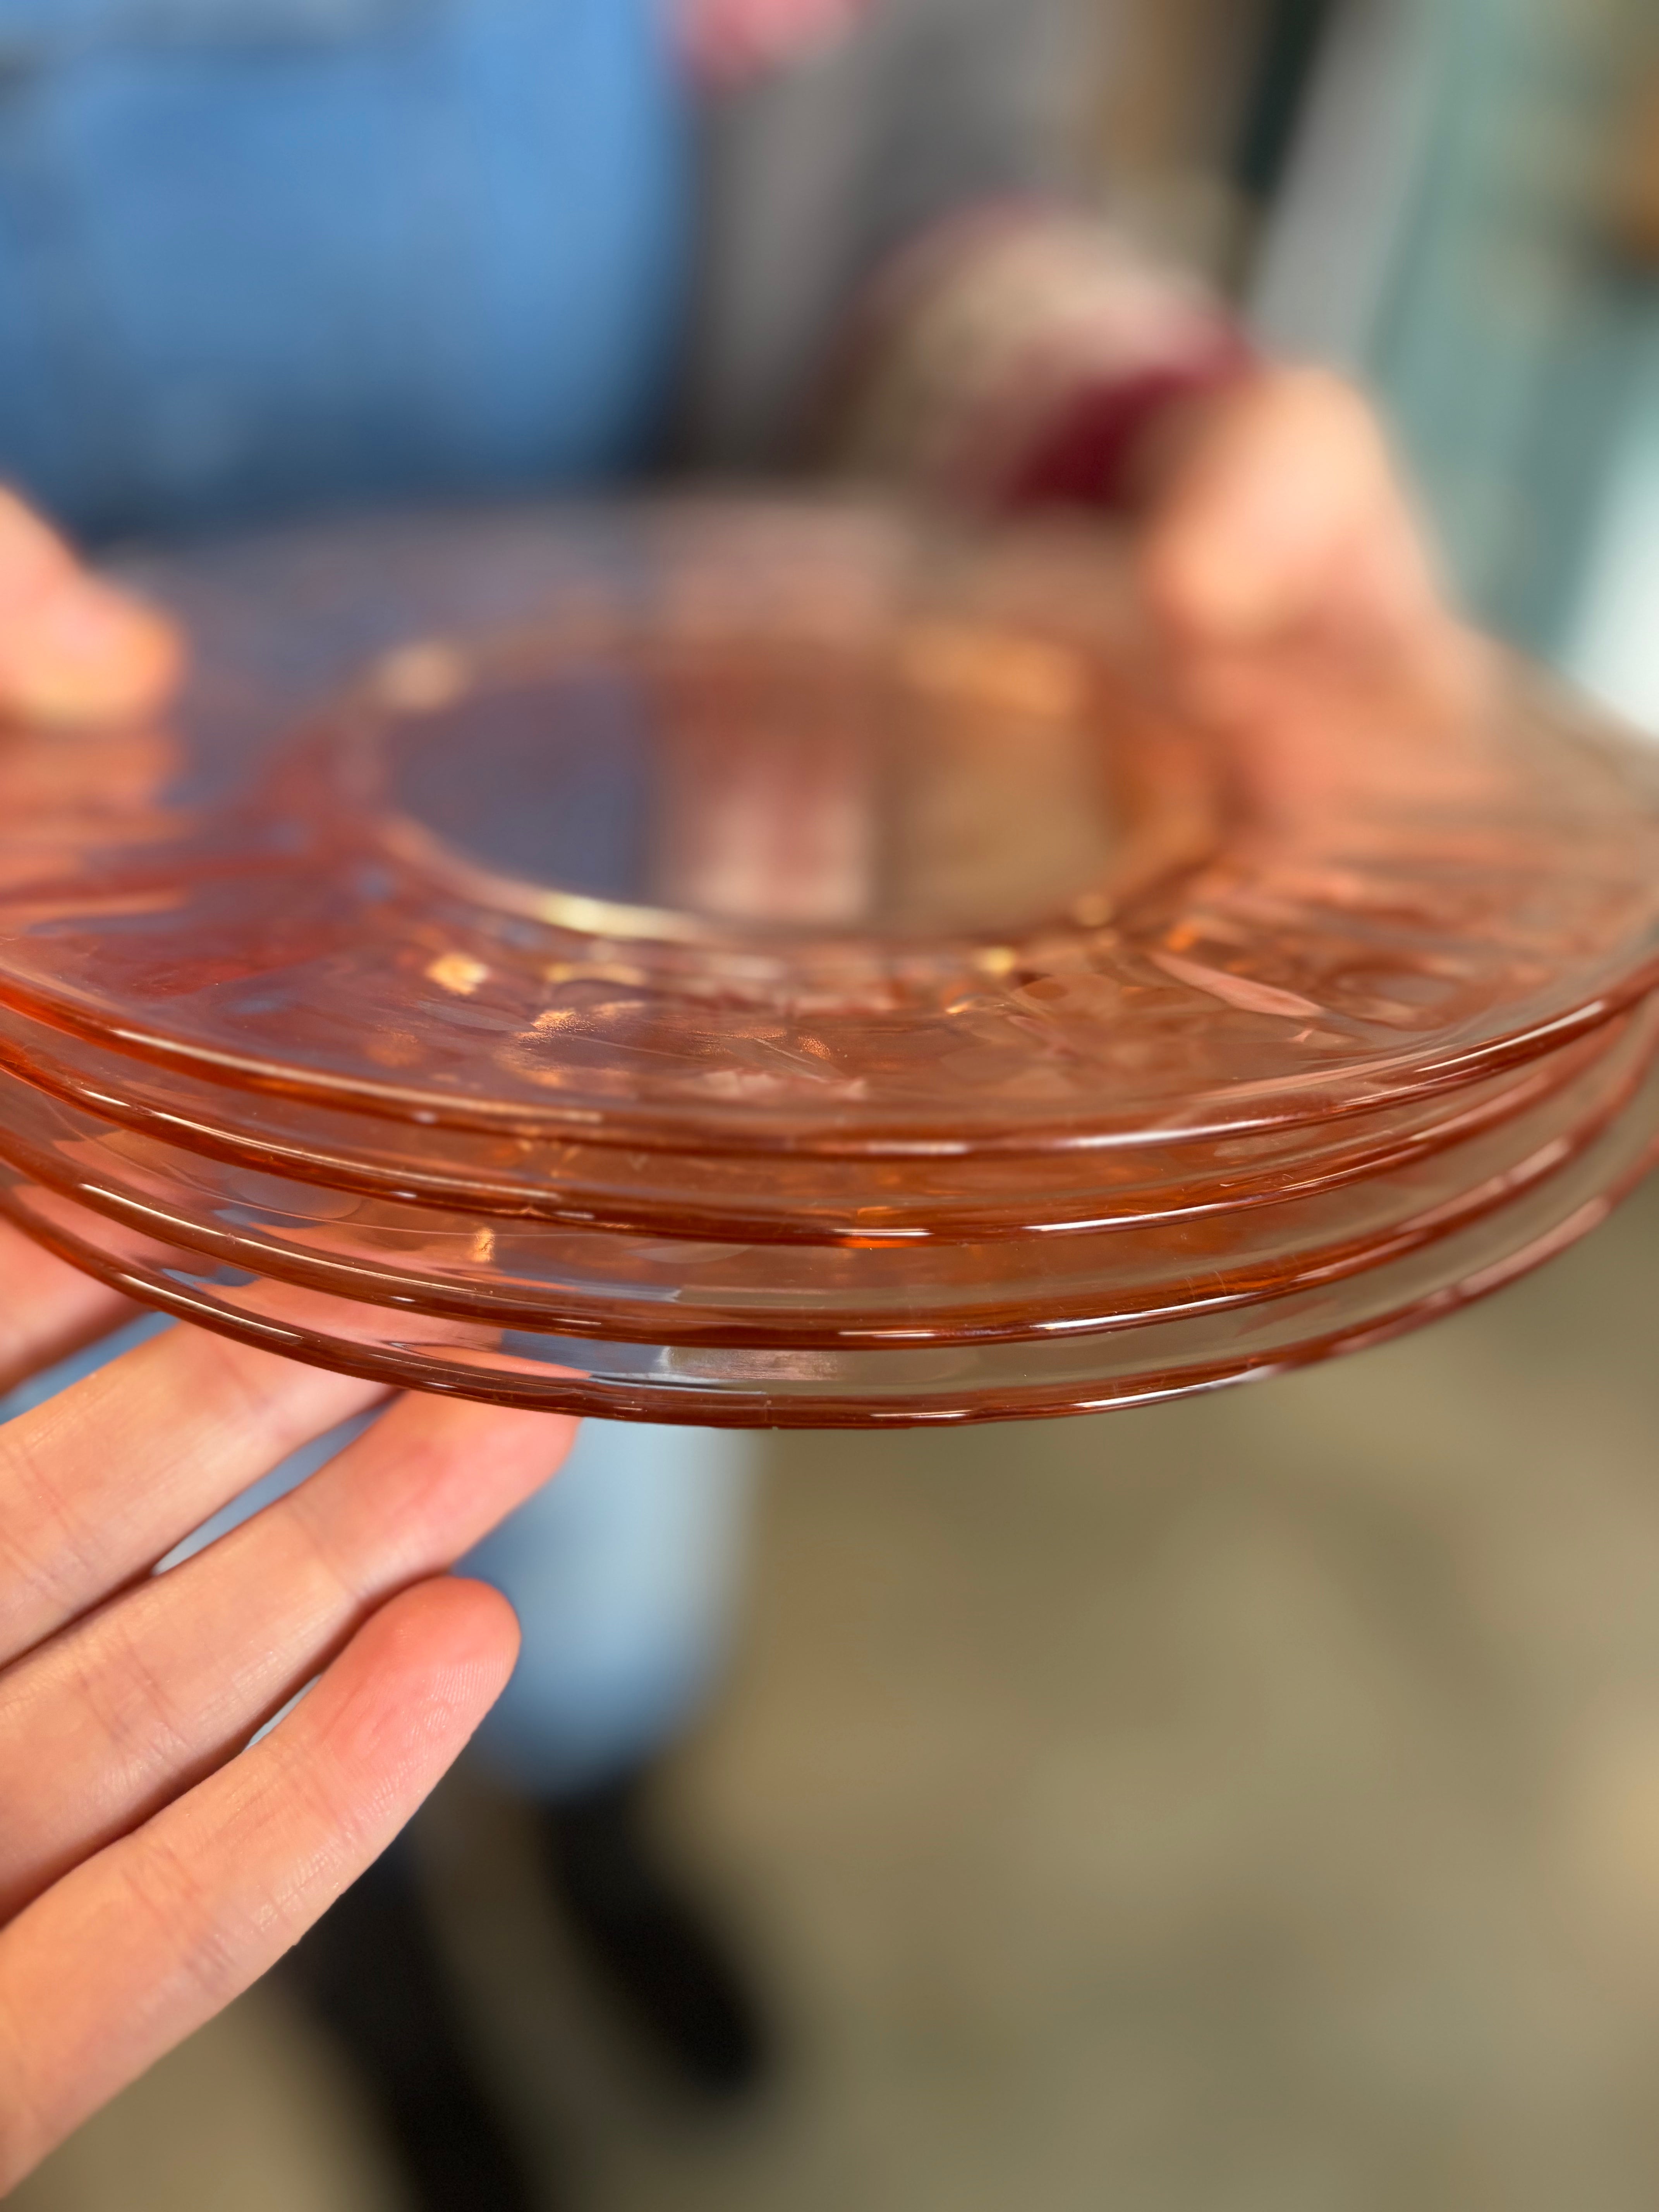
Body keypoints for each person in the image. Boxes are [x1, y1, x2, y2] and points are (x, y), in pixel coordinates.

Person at [0, 0, 1446, 2196]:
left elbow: (919, 181)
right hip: (77, 1105)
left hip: (647, 1011)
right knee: (205, 1665)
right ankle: (384, 1994)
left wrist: (1128, 434)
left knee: (592, 1553)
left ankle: (600, 1838)